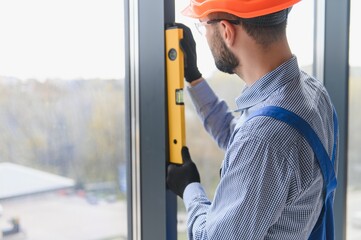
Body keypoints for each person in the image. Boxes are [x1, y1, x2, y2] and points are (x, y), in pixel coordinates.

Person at [166, 0, 339, 239]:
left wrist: (190, 188)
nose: (204, 34)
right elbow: (239, 137)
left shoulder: (265, 139)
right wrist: (194, 78)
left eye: (203, 25)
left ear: (227, 31)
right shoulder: (313, 93)